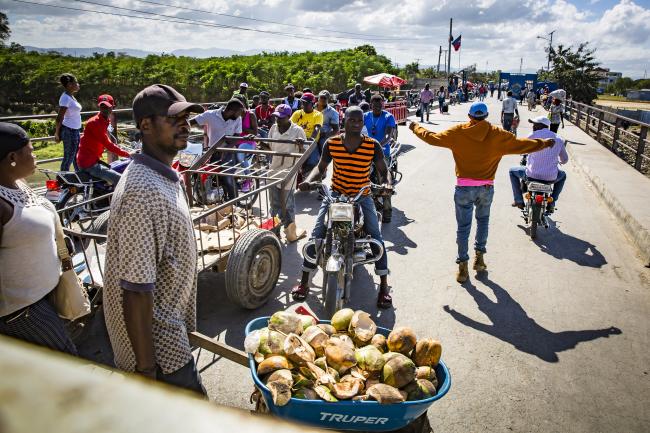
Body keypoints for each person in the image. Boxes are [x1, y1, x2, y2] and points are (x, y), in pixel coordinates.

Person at [103, 84, 206, 395]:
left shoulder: (163, 173)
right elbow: (135, 291)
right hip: (162, 351)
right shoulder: (142, 193)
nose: (185, 125)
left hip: (172, 329)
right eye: (173, 119)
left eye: (187, 118)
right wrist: (146, 370)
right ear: (145, 125)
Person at [409, 102, 554, 283]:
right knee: (483, 222)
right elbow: (523, 145)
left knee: (463, 228)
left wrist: (415, 127)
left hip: (463, 188)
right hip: (486, 188)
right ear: (485, 117)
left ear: (469, 116)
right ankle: (479, 258)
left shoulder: (458, 132)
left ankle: (462, 267)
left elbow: (431, 138)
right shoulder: (498, 134)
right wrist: (545, 143)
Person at [292, 107, 394, 308]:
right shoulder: (332, 143)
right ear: (344, 120)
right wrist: (308, 181)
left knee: (376, 237)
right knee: (317, 235)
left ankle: (383, 286)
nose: (355, 123)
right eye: (351, 120)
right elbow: (320, 168)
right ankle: (304, 282)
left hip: (362, 196)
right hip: (336, 194)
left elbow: (384, 170)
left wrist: (387, 184)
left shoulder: (372, 146)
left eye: (358, 120)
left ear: (362, 122)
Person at [0, 123, 78, 355]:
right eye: (31, 151)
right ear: (12, 157)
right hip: (20, 311)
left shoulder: (18, 185)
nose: (35, 156)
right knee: (66, 358)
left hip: (42, 297)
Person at [265, 104, 307, 242]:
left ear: (289, 117)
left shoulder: (297, 131)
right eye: (276, 117)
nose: (278, 120)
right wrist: (256, 140)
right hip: (274, 169)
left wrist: (301, 145)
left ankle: (290, 232)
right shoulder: (273, 128)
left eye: (281, 118)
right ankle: (274, 232)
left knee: (287, 204)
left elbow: (304, 153)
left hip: (289, 171)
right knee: (274, 204)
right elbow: (269, 146)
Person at [509, 116, 568, 213]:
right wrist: (559, 161)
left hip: (532, 175)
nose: (533, 126)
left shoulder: (532, 135)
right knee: (563, 175)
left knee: (512, 171)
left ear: (541, 126)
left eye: (535, 124)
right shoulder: (559, 138)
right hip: (550, 177)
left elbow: (522, 148)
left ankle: (518, 200)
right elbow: (565, 160)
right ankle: (552, 202)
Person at [190, 99, 245, 201]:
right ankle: (206, 197)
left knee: (227, 177)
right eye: (239, 112)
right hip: (213, 151)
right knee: (200, 172)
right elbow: (191, 122)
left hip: (229, 152)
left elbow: (237, 136)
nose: (240, 115)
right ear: (232, 110)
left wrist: (226, 149)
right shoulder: (210, 115)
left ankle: (234, 203)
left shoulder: (237, 119)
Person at [76, 94, 130, 185]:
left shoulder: (105, 121)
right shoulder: (94, 123)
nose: (104, 109)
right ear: (99, 107)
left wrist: (119, 147)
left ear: (112, 107)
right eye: (102, 107)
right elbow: (108, 144)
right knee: (121, 180)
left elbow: (105, 139)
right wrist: (127, 154)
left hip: (92, 159)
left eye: (107, 107)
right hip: (89, 163)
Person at [55, 73, 82, 171]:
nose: (78, 84)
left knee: (76, 157)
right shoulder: (65, 98)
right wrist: (57, 134)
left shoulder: (70, 96)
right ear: (70, 84)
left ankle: (79, 179)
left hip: (75, 130)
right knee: (68, 158)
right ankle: (62, 181)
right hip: (69, 131)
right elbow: (59, 118)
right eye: (76, 82)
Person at [290, 93, 323, 173]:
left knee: (313, 162)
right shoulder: (297, 113)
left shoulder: (318, 114)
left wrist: (310, 140)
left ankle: (304, 172)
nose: (304, 104)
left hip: (310, 141)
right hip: (297, 140)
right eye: (302, 102)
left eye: (306, 103)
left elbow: (316, 128)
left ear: (312, 103)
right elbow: (289, 125)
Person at [232, 94, 258, 193]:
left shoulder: (250, 115)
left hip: (248, 142)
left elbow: (255, 132)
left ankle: (249, 179)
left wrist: (242, 128)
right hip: (236, 142)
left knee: (240, 154)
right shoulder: (234, 116)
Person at [316, 90, 340, 159]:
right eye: (321, 97)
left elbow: (336, 130)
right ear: (318, 98)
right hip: (311, 132)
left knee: (324, 145)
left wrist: (325, 134)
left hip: (323, 135)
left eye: (325, 98)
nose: (323, 99)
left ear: (328, 99)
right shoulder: (311, 107)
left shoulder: (333, 112)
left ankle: (324, 162)